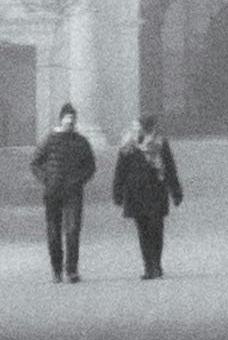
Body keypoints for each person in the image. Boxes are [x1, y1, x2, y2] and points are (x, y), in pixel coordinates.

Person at [110, 115, 185, 280]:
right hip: (135, 193)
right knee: (143, 231)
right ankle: (148, 267)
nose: (135, 128)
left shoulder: (160, 143)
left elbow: (170, 168)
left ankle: (156, 264)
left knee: (156, 229)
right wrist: (117, 192)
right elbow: (120, 170)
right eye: (134, 125)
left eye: (138, 126)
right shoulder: (128, 144)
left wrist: (176, 191)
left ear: (147, 127)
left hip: (156, 192)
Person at [30, 102, 96, 283]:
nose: (70, 121)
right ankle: (57, 270)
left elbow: (90, 166)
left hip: (73, 192)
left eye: (73, 119)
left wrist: (80, 179)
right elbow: (35, 163)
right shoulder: (49, 140)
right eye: (67, 118)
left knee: (73, 231)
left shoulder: (81, 142)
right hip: (53, 192)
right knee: (53, 232)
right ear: (61, 120)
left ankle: (72, 270)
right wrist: (46, 179)